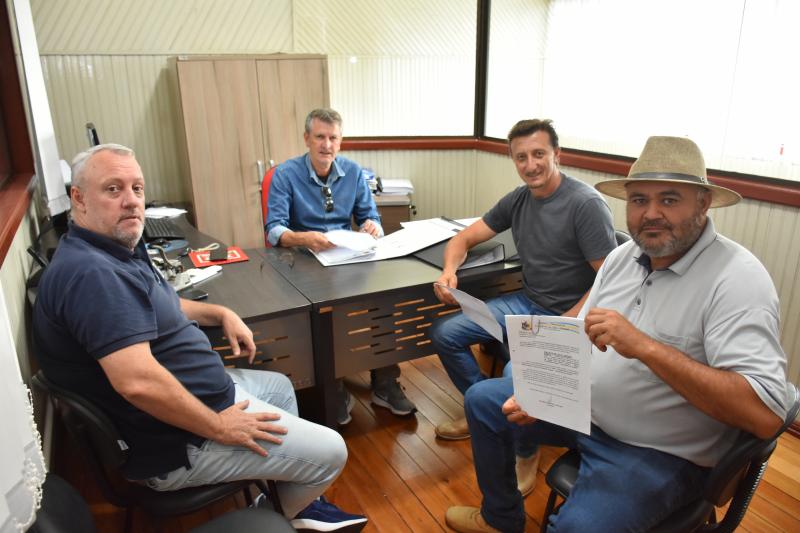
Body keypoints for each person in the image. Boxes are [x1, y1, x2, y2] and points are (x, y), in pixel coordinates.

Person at [446, 136, 791, 533]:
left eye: (669, 199)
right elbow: (579, 337)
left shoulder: (737, 280)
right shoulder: (621, 258)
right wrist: (545, 393)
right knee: (483, 401)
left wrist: (645, 347)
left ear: (703, 203)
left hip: (660, 451)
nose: (651, 214)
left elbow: (765, 417)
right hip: (587, 411)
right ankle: (500, 518)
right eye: (639, 200)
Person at [33, 144, 367, 532]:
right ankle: (276, 511)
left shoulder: (111, 248)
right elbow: (137, 382)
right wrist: (219, 427)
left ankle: (294, 496)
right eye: (113, 189)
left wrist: (219, 312)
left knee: (278, 387)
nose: (131, 201)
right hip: (177, 440)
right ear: (78, 198)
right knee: (332, 452)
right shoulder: (93, 276)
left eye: (137, 189)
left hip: (201, 399)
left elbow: (161, 303)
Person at [429, 119, 617, 495]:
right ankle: (482, 408)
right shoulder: (518, 199)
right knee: (445, 333)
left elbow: (609, 279)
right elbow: (463, 239)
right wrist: (449, 272)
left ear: (557, 154)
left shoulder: (585, 204)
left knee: (518, 371)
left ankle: (525, 449)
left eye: (538, 154)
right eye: (521, 157)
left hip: (567, 315)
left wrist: (567, 322)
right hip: (526, 304)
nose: (530, 165)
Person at [266, 108, 416, 425]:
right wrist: (303, 238)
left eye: (333, 138)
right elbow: (274, 230)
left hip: (345, 257)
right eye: (320, 137)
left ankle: (385, 382)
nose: (326, 145)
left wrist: (373, 226)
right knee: (325, 312)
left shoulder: (353, 172)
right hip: (303, 260)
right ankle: (332, 388)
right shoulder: (285, 174)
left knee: (384, 299)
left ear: (341, 141)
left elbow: (369, 216)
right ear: (307, 138)